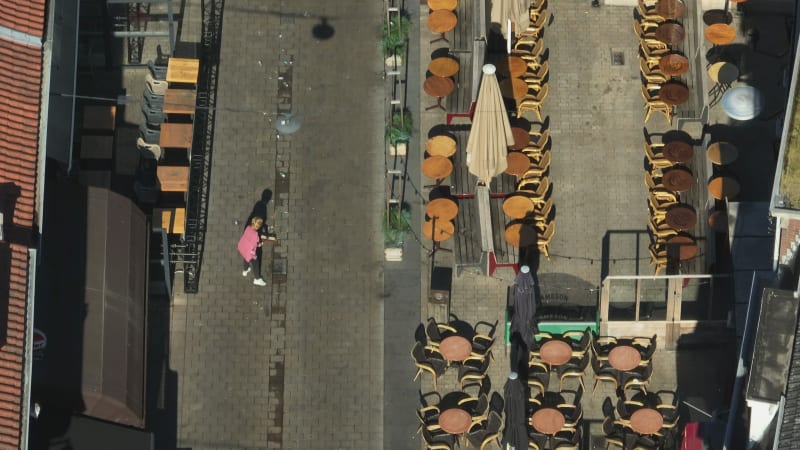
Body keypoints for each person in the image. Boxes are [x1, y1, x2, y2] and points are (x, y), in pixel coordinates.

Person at [238, 216, 267, 286]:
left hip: (243, 247)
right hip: (249, 252)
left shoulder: (248, 227)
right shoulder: (255, 235)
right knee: (256, 263)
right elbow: (255, 245)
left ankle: (245, 270)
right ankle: (257, 279)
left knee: (246, 258)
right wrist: (260, 244)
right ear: (258, 226)